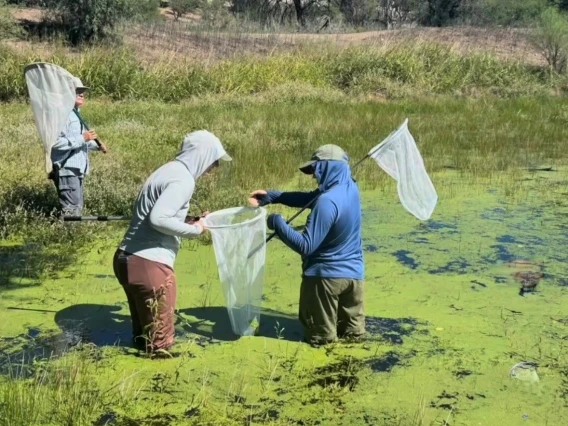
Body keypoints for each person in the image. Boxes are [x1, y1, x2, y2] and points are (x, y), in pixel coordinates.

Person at [113, 130, 231, 355]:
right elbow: (158, 219)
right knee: (160, 345)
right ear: (202, 155)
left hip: (127, 258)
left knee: (142, 336)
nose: (213, 168)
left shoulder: (167, 170)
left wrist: (189, 220)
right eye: (214, 161)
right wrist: (196, 229)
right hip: (150, 264)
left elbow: (156, 214)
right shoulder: (183, 179)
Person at [248, 144, 365, 347]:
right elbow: (311, 198)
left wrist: (277, 223)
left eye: (316, 170)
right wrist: (277, 196)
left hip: (325, 280)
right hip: (354, 279)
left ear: (328, 168)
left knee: (322, 340)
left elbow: (306, 246)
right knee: (354, 338)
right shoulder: (351, 188)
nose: (314, 176)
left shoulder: (327, 201)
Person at [50, 77, 107, 216]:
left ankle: (74, 235)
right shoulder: (62, 115)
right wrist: (83, 137)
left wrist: (96, 145)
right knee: (72, 212)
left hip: (77, 169)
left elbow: (81, 142)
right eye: (77, 92)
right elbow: (54, 142)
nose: (82, 95)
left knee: (77, 208)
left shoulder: (76, 114)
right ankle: (69, 236)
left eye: (82, 92)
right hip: (67, 168)